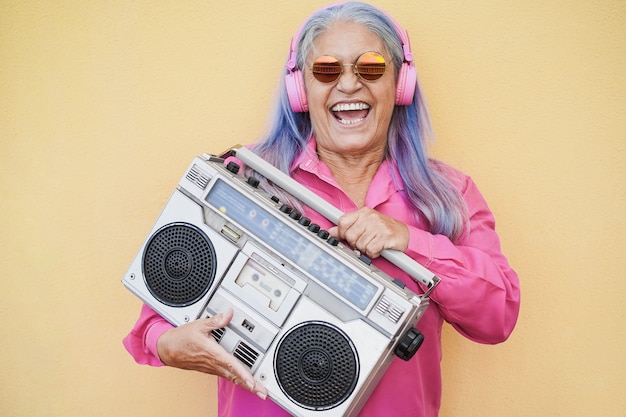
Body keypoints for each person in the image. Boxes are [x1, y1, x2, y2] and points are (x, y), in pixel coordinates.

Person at [123, 2, 521, 416]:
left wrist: (409, 241)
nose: (349, 85)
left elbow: (498, 316)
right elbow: (154, 323)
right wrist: (168, 346)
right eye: (327, 70)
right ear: (300, 90)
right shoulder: (245, 178)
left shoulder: (446, 195)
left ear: (400, 84)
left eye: (370, 68)